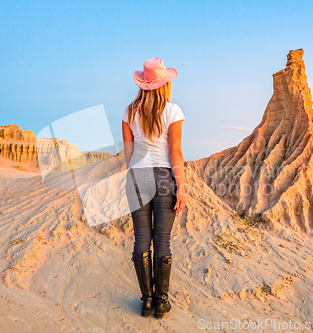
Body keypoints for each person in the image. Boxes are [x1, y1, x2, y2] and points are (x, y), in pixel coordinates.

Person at [122, 57, 187, 319]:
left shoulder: (129, 112)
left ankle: (146, 301)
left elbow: (128, 151)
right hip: (163, 178)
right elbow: (175, 151)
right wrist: (181, 186)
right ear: (164, 85)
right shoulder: (173, 111)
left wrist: (133, 175)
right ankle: (161, 302)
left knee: (141, 239)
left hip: (137, 176)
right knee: (162, 240)